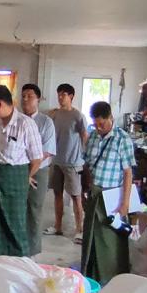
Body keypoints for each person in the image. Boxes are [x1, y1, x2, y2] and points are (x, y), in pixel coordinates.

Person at [0, 85, 43, 257]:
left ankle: (18, 261)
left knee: (15, 226)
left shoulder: (25, 124)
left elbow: (37, 158)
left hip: (15, 183)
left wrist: (26, 177)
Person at [82, 101, 136, 285]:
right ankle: (92, 274)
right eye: (95, 124)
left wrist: (125, 203)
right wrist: (85, 190)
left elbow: (128, 173)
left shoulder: (122, 139)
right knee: (92, 237)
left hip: (112, 196)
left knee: (110, 240)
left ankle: (112, 278)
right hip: (94, 193)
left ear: (111, 118)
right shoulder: (93, 137)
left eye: (102, 124)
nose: (99, 128)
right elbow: (87, 165)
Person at [46, 83, 89, 243]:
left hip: (73, 162)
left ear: (71, 96)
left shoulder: (78, 116)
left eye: (63, 94)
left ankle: (79, 230)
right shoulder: (54, 115)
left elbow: (84, 136)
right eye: (59, 94)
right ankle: (58, 226)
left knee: (76, 196)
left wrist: (86, 158)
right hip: (57, 160)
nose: (60, 97)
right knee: (57, 194)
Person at [21, 83, 56, 256]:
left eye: (30, 96)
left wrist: (30, 171)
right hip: (19, 169)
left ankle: (32, 250)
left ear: (38, 99)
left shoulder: (46, 122)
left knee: (34, 209)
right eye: (23, 96)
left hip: (38, 172)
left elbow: (47, 151)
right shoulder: (18, 119)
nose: (25, 99)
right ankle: (18, 246)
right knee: (18, 208)